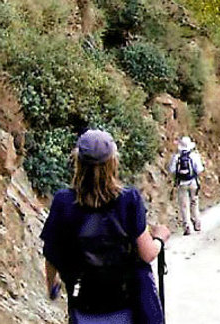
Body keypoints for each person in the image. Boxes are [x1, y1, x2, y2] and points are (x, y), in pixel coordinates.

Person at [41, 129, 171, 324]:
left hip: (84, 307)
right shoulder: (129, 200)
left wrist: (52, 286)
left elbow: (52, 253)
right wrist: (160, 238)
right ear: (113, 162)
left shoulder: (63, 202)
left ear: (78, 162)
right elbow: (148, 254)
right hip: (125, 306)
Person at [168, 136, 205, 235]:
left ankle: (187, 226)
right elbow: (199, 169)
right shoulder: (194, 155)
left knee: (184, 205)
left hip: (181, 183)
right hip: (193, 182)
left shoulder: (176, 157)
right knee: (194, 202)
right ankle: (197, 223)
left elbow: (171, 170)